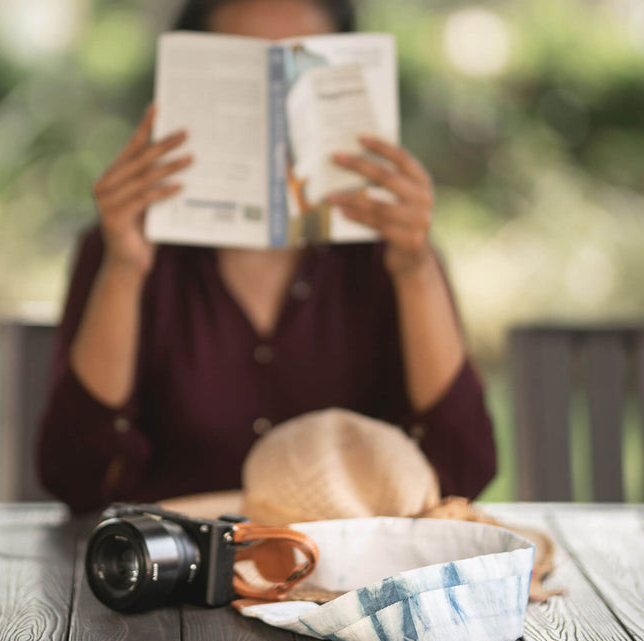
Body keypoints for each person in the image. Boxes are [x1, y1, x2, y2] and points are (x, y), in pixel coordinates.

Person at [36, 0, 497, 514]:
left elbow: (462, 474)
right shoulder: (119, 248)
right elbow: (76, 478)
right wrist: (124, 270)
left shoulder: (390, 254)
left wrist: (415, 269)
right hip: (170, 570)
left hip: (347, 581)